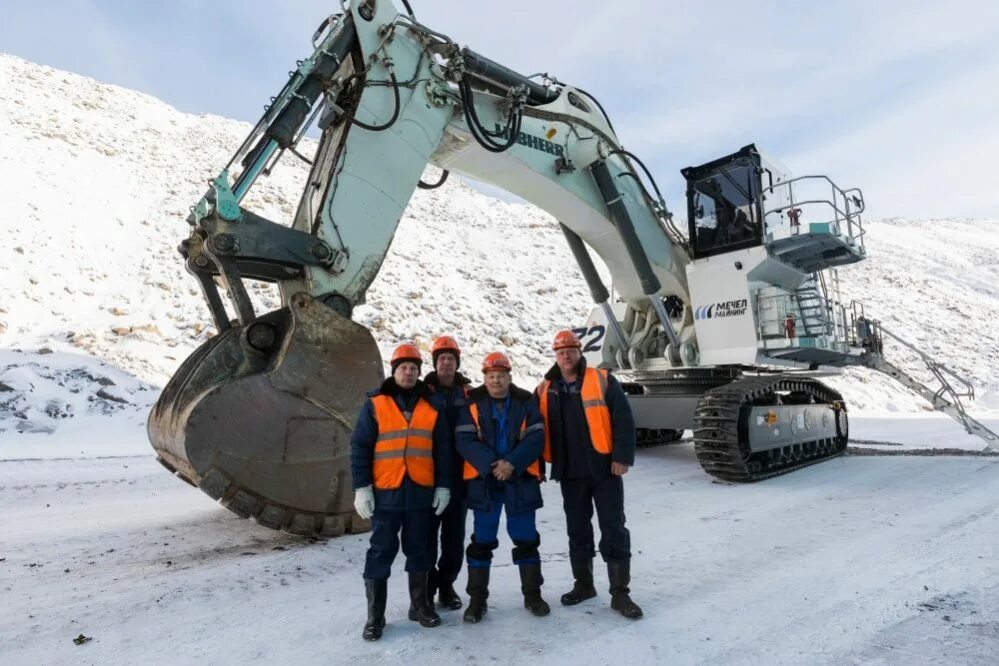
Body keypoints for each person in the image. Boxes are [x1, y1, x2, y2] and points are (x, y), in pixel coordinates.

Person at [536, 330, 643, 619]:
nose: (566, 356)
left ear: (579, 352)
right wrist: (537, 466)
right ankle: (584, 585)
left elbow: (623, 419)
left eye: (570, 350)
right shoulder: (545, 388)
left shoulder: (603, 379)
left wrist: (622, 457)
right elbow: (533, 430)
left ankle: (620, 594)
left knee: (613, 528)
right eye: (560, 352)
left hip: (604, 468)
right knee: (577, 530)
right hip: (570, 472)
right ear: (555, 356)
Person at [350, 343, 453, 641]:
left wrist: (444, 486)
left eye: (413, 369)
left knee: (420, 550)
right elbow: (360, 447)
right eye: (403, 368)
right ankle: (375, 618)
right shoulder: (376, 403)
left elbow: (443, 450)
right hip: (386, 493)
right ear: (394, 371)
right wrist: (362, 487)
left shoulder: (432, 405)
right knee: (380, 552)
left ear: (420, 373)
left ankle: (420, 607)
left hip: (421, 492)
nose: (408, 373)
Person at [455, 352, 549, 623]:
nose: (496, 381)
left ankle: (533, 595)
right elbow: (464, 440)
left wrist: (512, 464)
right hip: (486, 482)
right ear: (484, 378)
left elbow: (536, 438)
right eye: (491, 376)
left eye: (501, 376)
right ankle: (477, 600)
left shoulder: (526, 401)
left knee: (526, 538)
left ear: (509, 376)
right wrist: (494, 465)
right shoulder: (470, 402)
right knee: (481, 542)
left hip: (519, 480)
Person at [423, 335, 473, 610]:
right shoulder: (421, 391)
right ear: (435, 363)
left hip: (459, 480)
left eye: (451, 359)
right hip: (427, 478)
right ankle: (426, 591)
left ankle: (447, 586)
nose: (446, 363)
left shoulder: (468, 393)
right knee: (427, 538)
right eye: (442, 359)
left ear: (457, 364)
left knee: (454, 541)